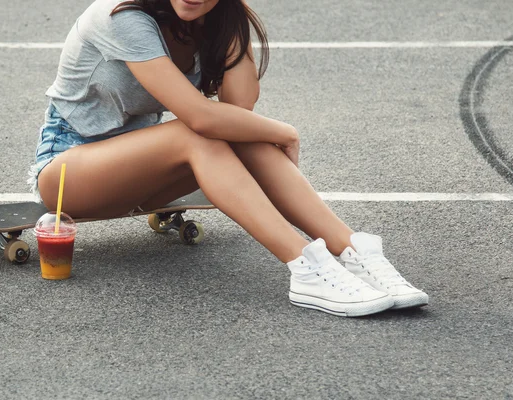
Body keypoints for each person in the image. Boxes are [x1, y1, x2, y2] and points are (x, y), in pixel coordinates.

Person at [28, 0, 428, 317]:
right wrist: (285, 132)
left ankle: (352, 250)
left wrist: (231, 22)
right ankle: (305, 266)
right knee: (198, 131)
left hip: (145, 173)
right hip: (68, 171)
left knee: (232, 132)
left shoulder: (211, 19)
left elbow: (240, 108)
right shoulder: (122, 16)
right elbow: (202, 116)